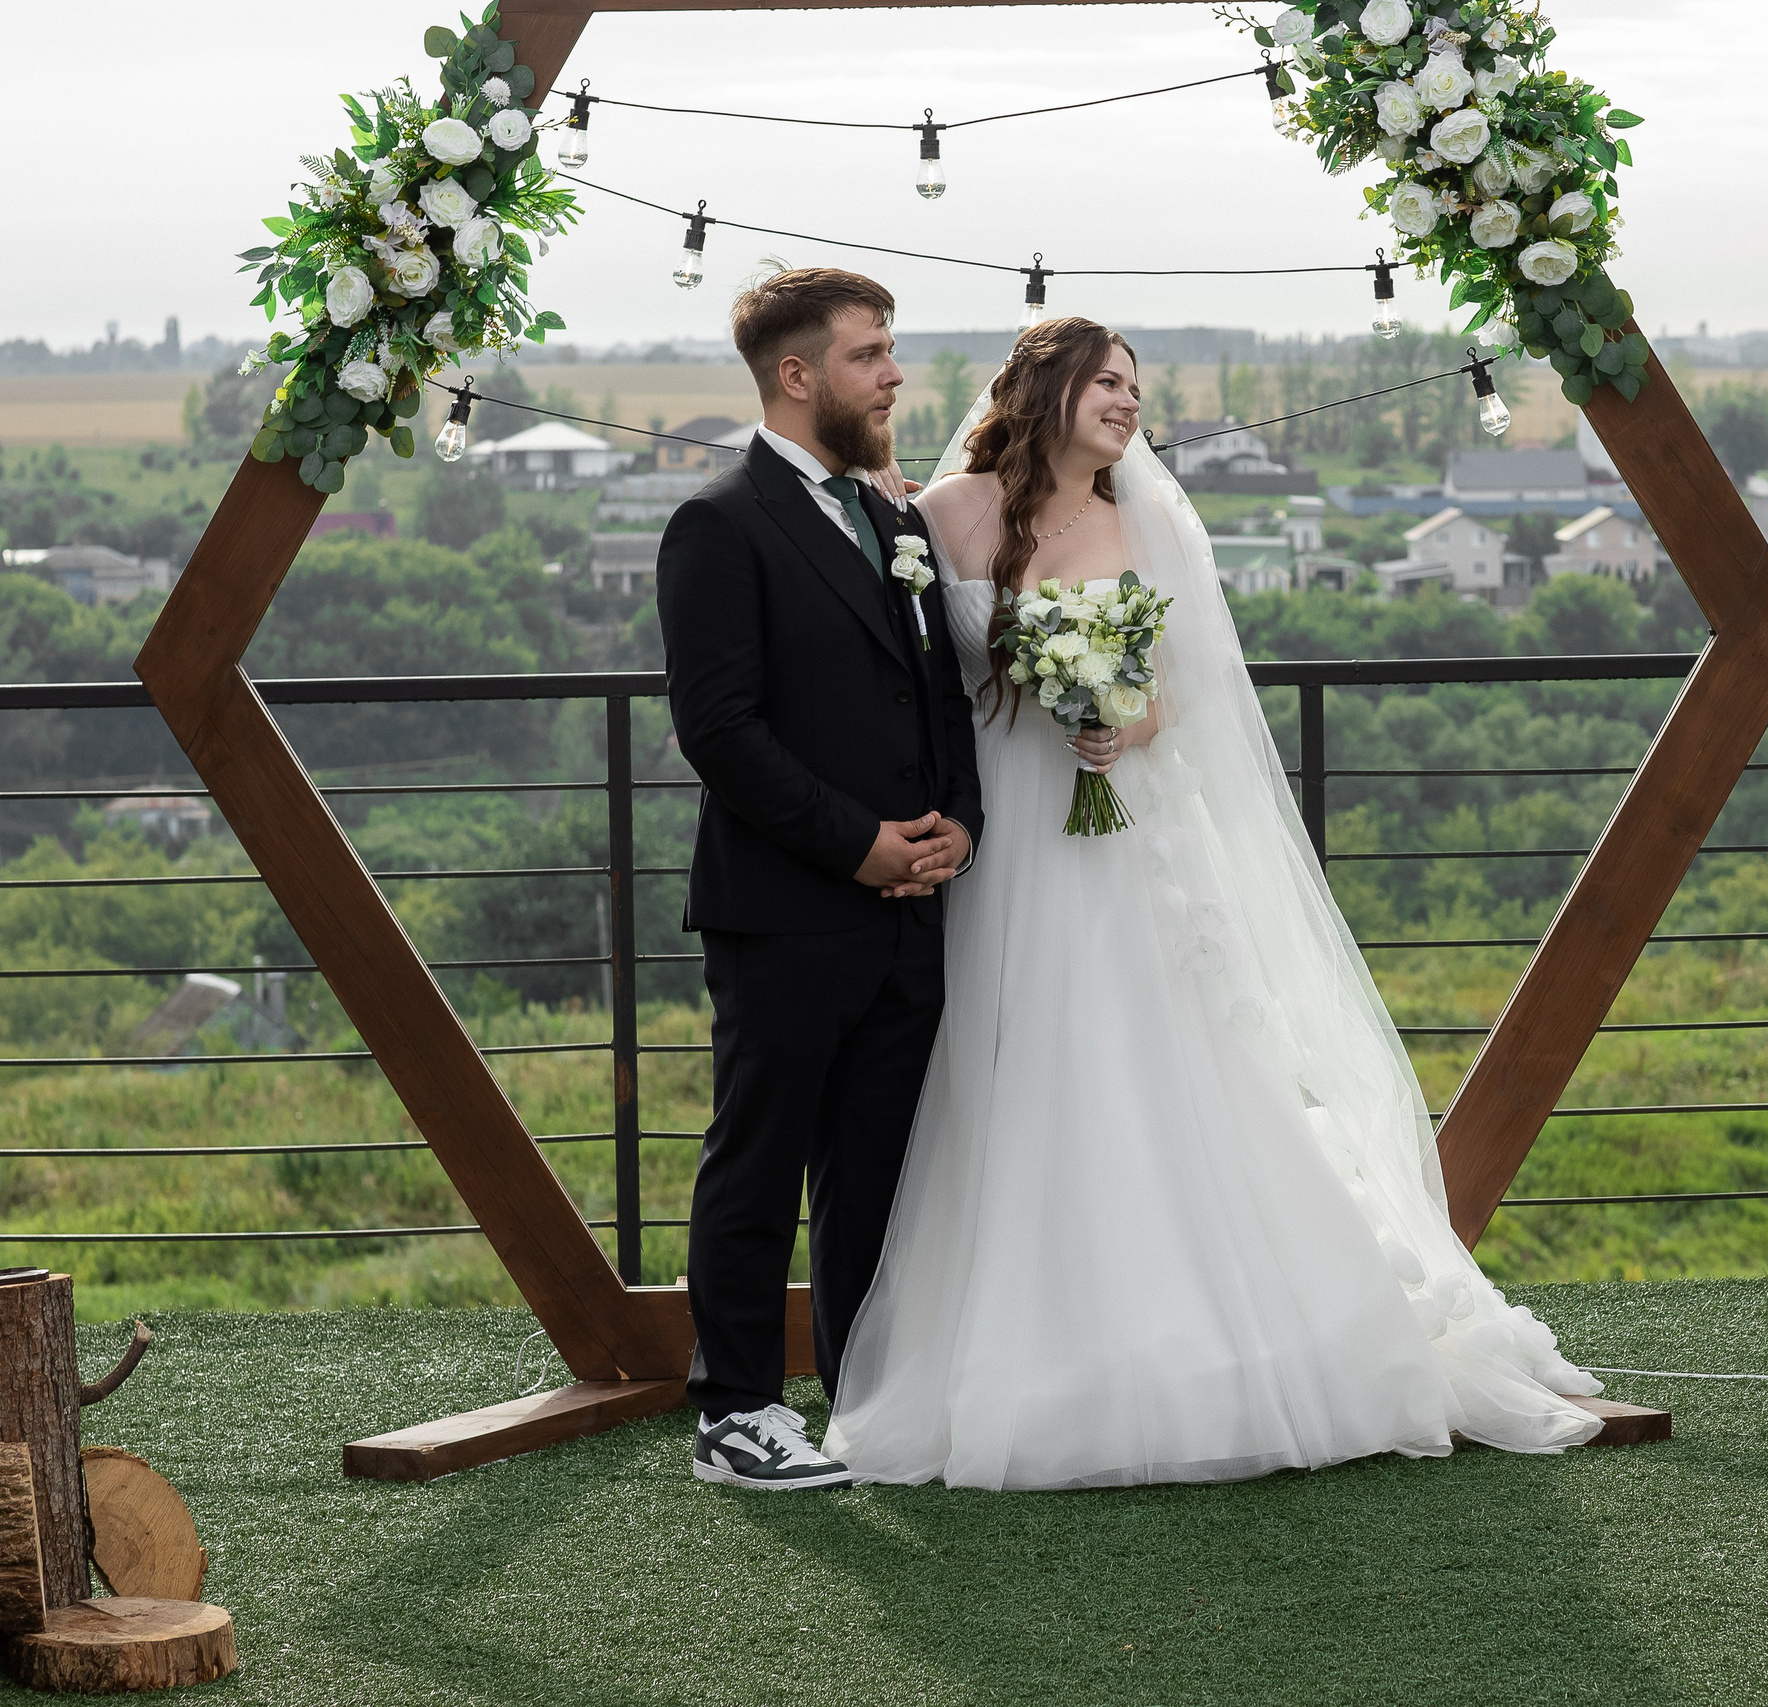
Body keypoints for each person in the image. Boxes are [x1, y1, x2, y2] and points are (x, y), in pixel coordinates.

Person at [819, 319, 1605, 1489]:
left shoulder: (1143, 524)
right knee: (1007, 1066)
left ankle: (1225, 1338)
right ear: (1047, 389)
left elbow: (1181, 692)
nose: (1130, 405)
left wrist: (1118, 719)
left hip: (1121, 831)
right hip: (997, 845)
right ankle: (1014, 1350)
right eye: (1108, 383)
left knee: (1147, 1057)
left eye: (1138, 388)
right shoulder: (946, 512)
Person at [658, 267, 983, 1489]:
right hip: (789, 909)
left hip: (915, 908)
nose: (895, 375)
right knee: (760, 1157)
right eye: (870, 355)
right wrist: (860, 845)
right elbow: (721, 730)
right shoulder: (721, 521)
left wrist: (961, 826)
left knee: (877, 1169)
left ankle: (867, 1399)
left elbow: (940, 698)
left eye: (890, 351)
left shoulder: (897, 521)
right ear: (796, 377)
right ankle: (736, 1411)